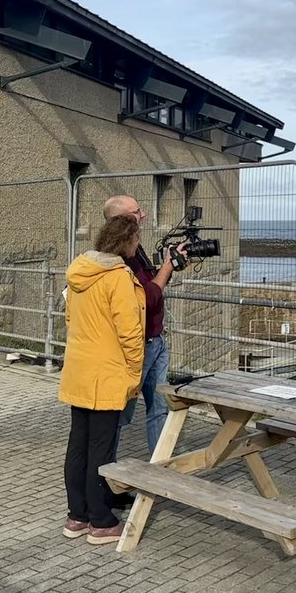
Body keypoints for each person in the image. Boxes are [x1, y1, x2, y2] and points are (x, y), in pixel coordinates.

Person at [59, 215, 146, 545]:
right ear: (126, 240)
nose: (138, 244)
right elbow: (130, 332)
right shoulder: (117, 277)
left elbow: (69, 317)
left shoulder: (79, 270)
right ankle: (101, 520)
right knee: (101, 447)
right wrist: (134, 373)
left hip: (79, 368)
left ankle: (76, 515)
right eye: (136, 239)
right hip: (107, 372)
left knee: (78, 443)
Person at [102, 195, 184, 459]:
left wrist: (166, 270)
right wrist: (166, 269)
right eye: (138, 211)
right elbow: (144, 298)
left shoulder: (134, 248)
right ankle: (106, 477)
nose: (144, 215)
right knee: (119, 413)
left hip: (155, 340)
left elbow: (152, 287)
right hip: (139, 345)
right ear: (122, 220)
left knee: (160, 408)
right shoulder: (117, 257)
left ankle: (160, 468)